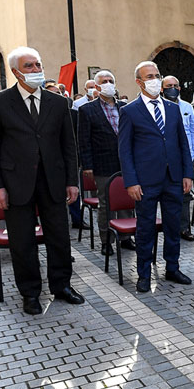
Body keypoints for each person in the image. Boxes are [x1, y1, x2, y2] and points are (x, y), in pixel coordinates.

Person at [0, 46, 83, 314]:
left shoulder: (58, 102)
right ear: (15, 72)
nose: (37, 70)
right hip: (16, 185)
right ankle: (30, 292)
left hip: (53, 181)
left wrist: (72, 181)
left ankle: (61, 285)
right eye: (30, 66)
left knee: (59, 237)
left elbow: (68, 146)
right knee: (22, 242)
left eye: (38, 65)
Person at [118, 62, 194, 292]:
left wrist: (187, 174)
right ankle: (143, 273)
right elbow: (125, 150)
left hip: (173, 178)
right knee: (145, 228)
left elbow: (183, 143)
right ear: (139, 82)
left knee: (172, 225)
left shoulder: (172, 109)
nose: (154, 79)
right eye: (148, 76)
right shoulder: (129, 111)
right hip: (145, 182)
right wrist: (131, 181)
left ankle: (172, 267)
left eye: (156, 75)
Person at [78, 70, 129, 255]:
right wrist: (87, 165)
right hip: (102, 164)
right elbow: (83, 140)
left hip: (125, 163)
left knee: (127, 199)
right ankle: (106, 241)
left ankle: (125, 237)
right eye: (104, 81)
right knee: (106, 203)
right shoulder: (87, 110)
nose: (108, 84)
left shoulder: (125, 107)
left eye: (111, 80)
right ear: (97, 87)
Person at [162, 74, 194, 242]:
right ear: (162, 88)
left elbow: (193, 131)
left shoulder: (186, 107)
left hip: (185, 157)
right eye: (169, 85)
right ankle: (169, 227)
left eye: (176, 85)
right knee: (167, 195)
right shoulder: (160, 106)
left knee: (185, 194)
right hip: (166, 159)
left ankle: (184, 228)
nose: (173, 88)